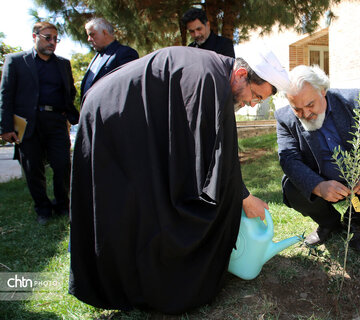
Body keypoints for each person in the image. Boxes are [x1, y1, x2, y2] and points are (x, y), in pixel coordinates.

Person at [69, 46, 290, 313]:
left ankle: (140, 281)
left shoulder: (215, 75)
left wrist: (238, 193)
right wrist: (242, 197)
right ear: (241, 74)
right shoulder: (209, 79)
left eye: (259, 101)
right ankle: (134, 285)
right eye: (255, 95)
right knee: (126, 203)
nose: (253, 104)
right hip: (112, 118)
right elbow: (211, 157)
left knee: (147, 200)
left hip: (121, 116)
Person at [275, 65, 360, 252]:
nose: (305, 114)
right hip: (320, 177)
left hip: (358, 174)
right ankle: (329, 223)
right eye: (297, 109)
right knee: (291, 188)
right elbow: (288, 159)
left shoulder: (352, 101)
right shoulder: (284, 117)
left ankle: (355, 222)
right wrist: (318, 186)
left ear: (323, 91)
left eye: (310, 105)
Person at [0, 22, 79, 225]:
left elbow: (70, 90)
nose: (52, 42)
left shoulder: (63, 63)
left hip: (56, 122)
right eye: (47, 37)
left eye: (55, 39)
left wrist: (67, 111)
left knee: (63, 165)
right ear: (34, 36)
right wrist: (6, 127)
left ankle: (63, 205)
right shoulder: (15, 61)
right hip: (27, 124)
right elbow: (5, 95)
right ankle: (43, 209)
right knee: (32, 168)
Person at [80, 17, 139, 100]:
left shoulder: (125, 53)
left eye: (92, 34)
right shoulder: (95, 57)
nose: (89, 39)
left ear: (105, 33)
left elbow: (128, 88)